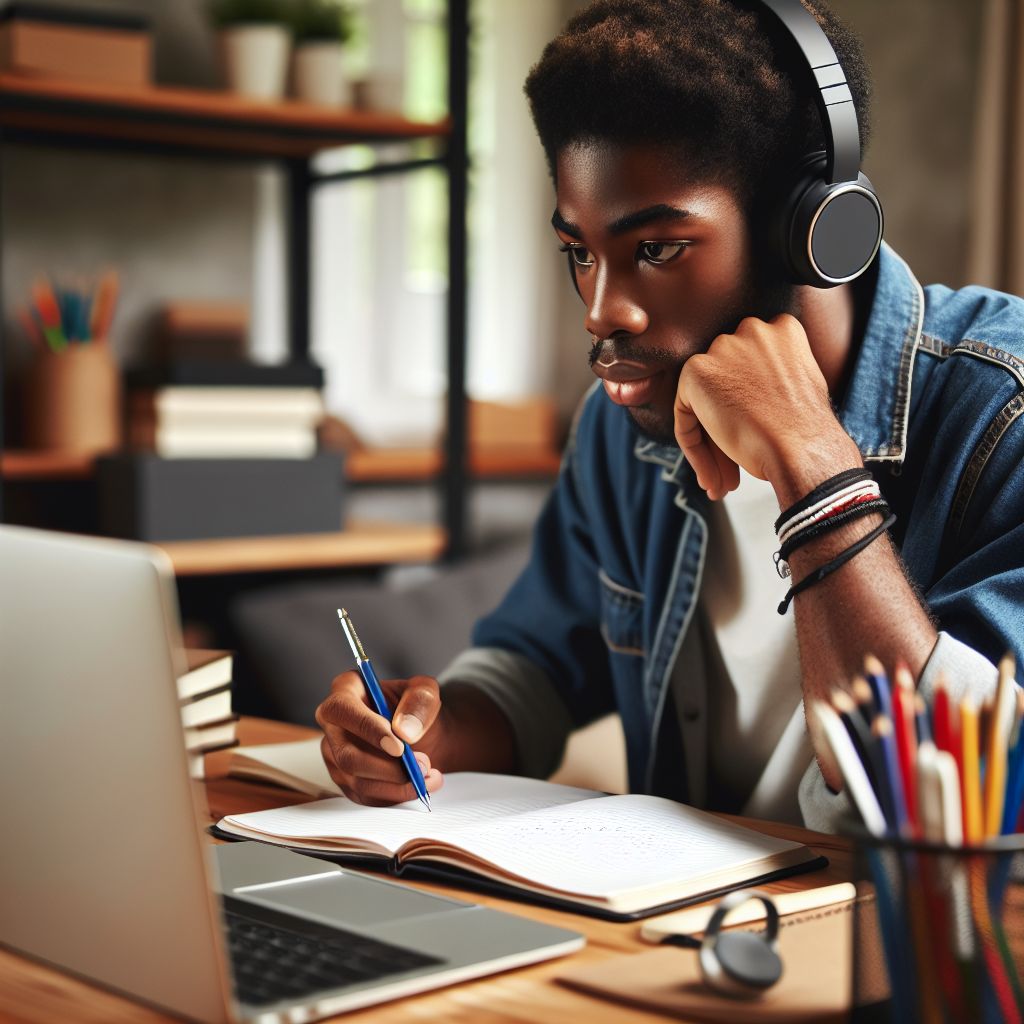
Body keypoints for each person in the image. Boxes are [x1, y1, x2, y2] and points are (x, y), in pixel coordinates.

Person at [315, 0, 1024, 829]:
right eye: (580, 252)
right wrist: (414, 733)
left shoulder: (1000, 414)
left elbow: (961, 799)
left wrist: (812, 464)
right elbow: (534, 669)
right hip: (686, 941)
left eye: (655, 249)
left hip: (901, 949)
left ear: (813, 233)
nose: (602, 311)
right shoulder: (622, 427)